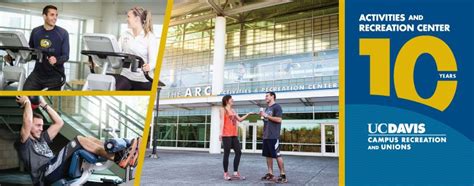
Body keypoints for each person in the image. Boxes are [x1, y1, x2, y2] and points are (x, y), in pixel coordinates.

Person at [15, 96, 140, 186]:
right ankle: (118, 157)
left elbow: (59, 122)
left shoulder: (42, 139)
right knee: (79, 140)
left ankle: (121, 150)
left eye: (42, 126)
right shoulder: (24, 143)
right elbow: (27, 121)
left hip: (54, 168)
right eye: (38, 126)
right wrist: (26, 101)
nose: (41, 128)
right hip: (46, 175)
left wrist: (44, 104)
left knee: (87, 138)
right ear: (30, 126)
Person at [23, 5, 69, 90]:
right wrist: (13, 57)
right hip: (37, 74)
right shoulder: (35, 32)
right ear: (44, 16)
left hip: (55, 75)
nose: (55, 18)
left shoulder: (63, 33)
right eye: (52, 15)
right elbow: (30, 52)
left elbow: (66, 56)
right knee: (23, 97)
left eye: (56, 15)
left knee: (50, 102)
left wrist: (56, 60)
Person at [116, 6, 158, 90]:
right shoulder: (125, 34)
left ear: (137, 19)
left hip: (143, 78)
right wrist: (98, 62)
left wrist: (149, 66)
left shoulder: (149, 37)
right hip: (126, 75)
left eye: (128, 16)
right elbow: (115, 54)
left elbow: (154, 61)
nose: (126, 19)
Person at [220, 95, 253, 180]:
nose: (233, 100)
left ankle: (235, 172)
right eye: (231, 99)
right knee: (226, 154)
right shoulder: (223, 109)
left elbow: (240, 119)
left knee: (238, 152)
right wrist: (220, 133)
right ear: (227, 101)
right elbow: (222, 122)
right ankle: (226, 173)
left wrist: (248, 114)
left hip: (234, 135)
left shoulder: (233, 110)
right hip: (226, 135)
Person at [259, 92, 287, 183]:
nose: (265, 97)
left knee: (277, 155)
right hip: (266, 136)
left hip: (273, 136)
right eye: (265, 96)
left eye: (267, 96)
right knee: (268, 155)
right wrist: (263, 117)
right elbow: (268, 121)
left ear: (272, 96)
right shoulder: (267, 108)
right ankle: (270, 174)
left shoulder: (277, 107)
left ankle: (283, 175)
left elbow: (279, 120)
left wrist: (266, 115)